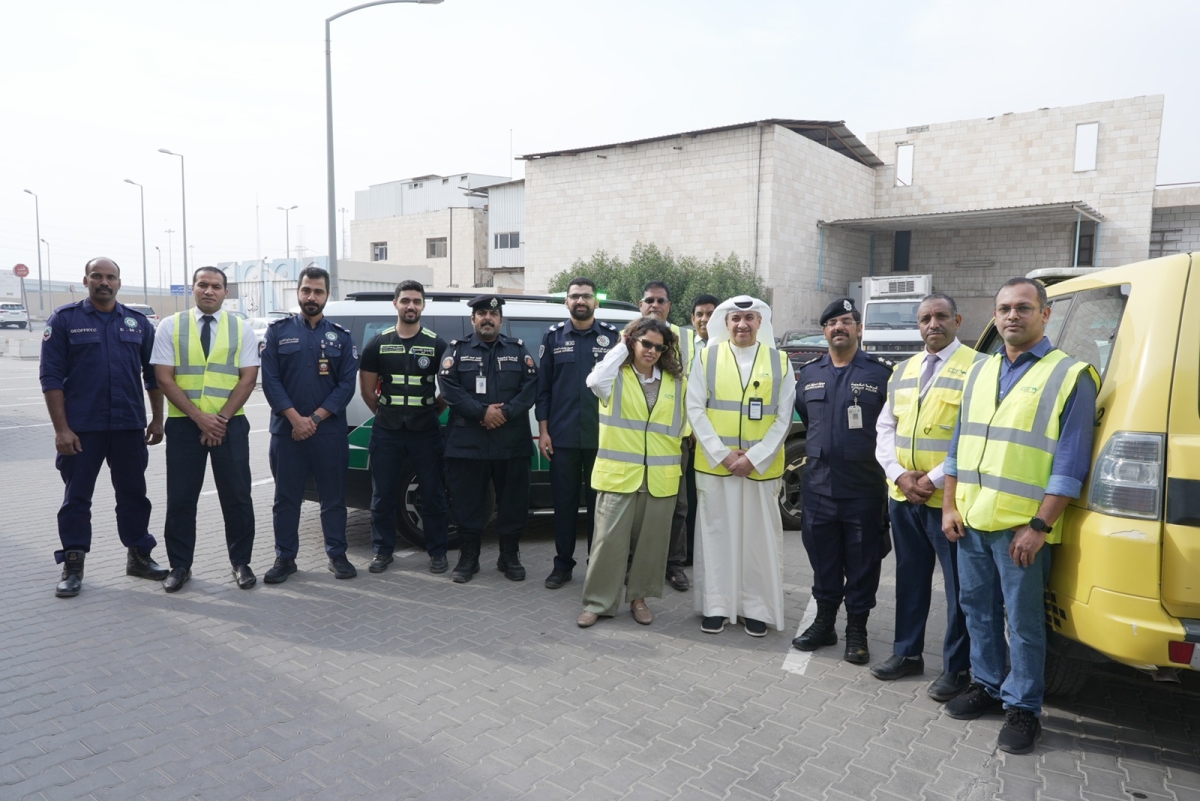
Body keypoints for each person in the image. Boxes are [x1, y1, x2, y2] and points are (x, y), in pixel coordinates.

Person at [941, 277, 1097, 755]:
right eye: (1004, 308)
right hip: (971, 523)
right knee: (978, 613)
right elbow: (958, 446)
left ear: (1044, 314)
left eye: (1023, 308)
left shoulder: (1071, 375)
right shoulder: (980, 371)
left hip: (1021, 531)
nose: (1012, 316)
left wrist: (1039, 526)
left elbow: (1070, 465)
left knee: (1024, 625)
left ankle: (1024, 709)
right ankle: (987, 686)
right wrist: (948, 504)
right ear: (994, 316)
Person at [871, 293, 983, 700]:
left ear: (958, 319)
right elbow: (885, 427)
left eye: (940, 317)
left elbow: (974, 433)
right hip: (903, 498)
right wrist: (899, 475)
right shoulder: (902, 369)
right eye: (924, 318)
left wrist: (932, 480)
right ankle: (907, 654)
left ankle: (957, 668)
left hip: (948, 501)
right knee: (911, 580)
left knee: (959, 590)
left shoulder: (979, 368)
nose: (932, 324)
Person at [39, 257, 169, 597]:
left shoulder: (138, 323)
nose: (104, 282)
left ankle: (139, 556)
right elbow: (51, 379)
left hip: (128, 426)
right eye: (97, 276)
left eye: (110, 277)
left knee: (133, 496)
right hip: (82, 430)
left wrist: (158, 418)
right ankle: (73, 563)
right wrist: (61, 429)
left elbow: (153, 375)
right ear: (86, 280)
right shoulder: (65, 320)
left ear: (119, 282)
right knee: (77, 498)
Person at [792, 298, 894, 663]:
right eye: (833, 323)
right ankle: (824, 624)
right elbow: (806, 415)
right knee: (824, 561)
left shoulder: (881, 374)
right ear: (824, 331)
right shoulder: (809, 373)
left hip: (863, 488)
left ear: (859, 328)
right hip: (818, 487)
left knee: (863, 562)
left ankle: (857, 629)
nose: (839, 328)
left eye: (847, 321)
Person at [688, 296, 794, 636]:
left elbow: (783, 417)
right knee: (716, 537)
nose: (742, 325)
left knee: (757, 540)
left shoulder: (780, 361)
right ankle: (716, 606)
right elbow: (695, 409)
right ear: (725, 322)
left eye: (749, 318)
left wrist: (753, 458)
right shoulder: (706, 357)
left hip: (760, 470)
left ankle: (757, 609)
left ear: (760, 322)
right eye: (736, 318)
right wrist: (725, 455)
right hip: (716, 467)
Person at [152, 266, 260, 593]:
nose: (209, 291)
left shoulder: (241, 329)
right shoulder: (170, 326)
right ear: (193, 289)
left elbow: (248, 378)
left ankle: (241, 562)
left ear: (226, 292)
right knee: (182, 498)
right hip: (186, 426)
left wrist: (221, 420)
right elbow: (164, 377)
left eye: (216, 286)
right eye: (203, 284)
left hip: (230, 424)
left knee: (238, 497)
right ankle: (180, 565)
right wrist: (200, 418)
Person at [577, 318, 687, 627]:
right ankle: (598, 602)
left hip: (660, 478)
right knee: (608, 543)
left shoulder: (676, 382)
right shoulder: (615, 376)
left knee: (650, 546)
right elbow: (593, 381)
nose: (651, 351)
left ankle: (639, 599)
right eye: (645, 343)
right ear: (633, 342)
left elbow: (683, 424)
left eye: (658, 346)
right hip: (619, 475)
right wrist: (621, 346)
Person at [259, 266, 359, 584]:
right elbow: (271, 381)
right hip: (287, 432)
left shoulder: (341, 337)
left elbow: (346, 385)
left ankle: (337, 555)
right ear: (298, 292)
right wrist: (295, 419)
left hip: (327, 432)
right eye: (306, 290)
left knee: (333, 497)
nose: (311, 297)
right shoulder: (277, 332)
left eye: (318, 291)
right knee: (286, 498)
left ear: (327, 295)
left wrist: (314, 419)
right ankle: (285, 558)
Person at [439, 295, 538, 583]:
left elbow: (531, 386)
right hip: (468, 443)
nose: (487, 318)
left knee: (513, 502)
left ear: (500, 320)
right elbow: (449, 388)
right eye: (481, 313)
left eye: (493, 314)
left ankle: (509, 556)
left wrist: (504, 413)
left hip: (511, 442)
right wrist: (482, 413)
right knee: (467, 503)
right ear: (473, 319)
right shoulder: (456, 351)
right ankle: (469, 558)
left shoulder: (518, 350)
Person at [358, 280, 451, 575]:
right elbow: (367, 392)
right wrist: (388, 415)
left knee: (433, 493)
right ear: (395, 304)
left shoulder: (437, 344)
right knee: (382, 494)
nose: (411, 306)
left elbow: (447, 390)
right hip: (387, 431)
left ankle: (437, 552)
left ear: (423, 306)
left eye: (416, 301)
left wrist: (430, 413)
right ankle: (383, 551)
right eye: (406, 300)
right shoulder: (378, 343)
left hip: (426, 431)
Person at [537, 277, 620, 589]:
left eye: (586, 296)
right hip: (562, 438)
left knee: (601, 506)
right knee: (564, 505)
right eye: (575, 296)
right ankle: (562, 565)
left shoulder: (613, 338)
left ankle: (596, 567)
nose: (581, 301)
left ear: (595, 301)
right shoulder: (553, 337)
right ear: (566, 301)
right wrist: (544, 431)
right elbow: (543, 390)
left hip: (604, 439)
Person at [639, 281, 691, 592]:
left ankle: (674, 566)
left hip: (674, 439)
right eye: (649, 300)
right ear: (640, 304)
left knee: (677, 505)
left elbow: (697, 385)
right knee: (638, 507)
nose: (655, 305)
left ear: (669, 306)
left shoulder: (686, 338)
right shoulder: (627, 335)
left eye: (661, 300)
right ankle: (635, 564)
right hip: (636, 440)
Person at [683, 294, 720, 565]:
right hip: (686, 435)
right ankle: (687, 554)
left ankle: (709, 553)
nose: (705, 319)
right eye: (700, 314)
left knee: (710, 498)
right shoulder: (683, 345)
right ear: (692, 319)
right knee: (687, 500)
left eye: (711, 314)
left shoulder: (728, 347)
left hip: (717, 437)